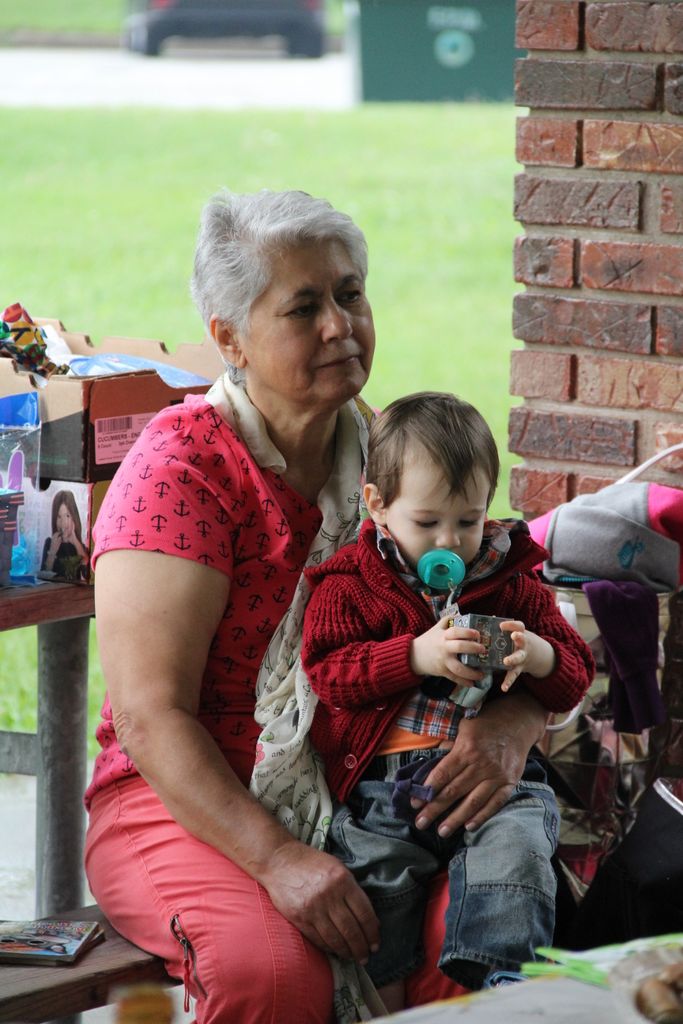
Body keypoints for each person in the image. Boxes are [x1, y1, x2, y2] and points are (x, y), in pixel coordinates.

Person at [84, 188, 554, 1024]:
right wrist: (279, 859)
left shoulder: (388, 456)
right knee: (273, 976)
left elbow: (507, 608)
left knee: (477, 948)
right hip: (183, 796)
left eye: (350, 293)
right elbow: (151, 720)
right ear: (230, 337)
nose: (341, 325)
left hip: (366, 780)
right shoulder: (180, 471)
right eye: (304, 308)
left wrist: (510, 727)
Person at [301, 391, 595, 1012]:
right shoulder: (351, 584)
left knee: (517, 857)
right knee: (378, 889)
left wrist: (537, 654)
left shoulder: (510, 581)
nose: (451, 542)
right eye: (428, 522)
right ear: (378, 504)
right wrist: (413, 656)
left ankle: (503, 982)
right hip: (386, 786)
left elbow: (574, 675)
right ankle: (380, 1002)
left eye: (468, 520)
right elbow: (329, 673)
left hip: (496, 783)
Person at [40, 489, 89, 581]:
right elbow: (43, 576)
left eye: (67, 516)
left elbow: (87, 575)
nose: (63, 523)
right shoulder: (49, 543)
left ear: (74, 518)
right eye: (59, 517)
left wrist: (76, 542)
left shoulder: (80, 547)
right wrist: (52, 552)